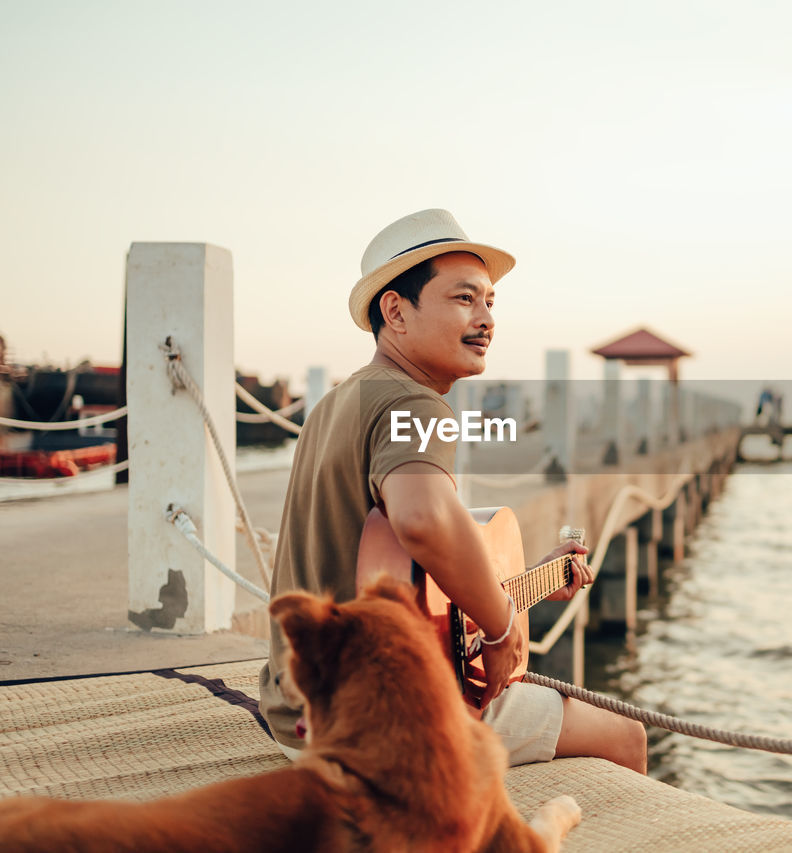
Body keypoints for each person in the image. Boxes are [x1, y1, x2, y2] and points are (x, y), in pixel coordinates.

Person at [257, 209, 647, 773]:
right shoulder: (414, 403)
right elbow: (423, 520)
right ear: (395, 311)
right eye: (464, 299)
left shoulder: (336, 403)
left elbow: (398, 572)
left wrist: (526, 584)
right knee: (626, 735)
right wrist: (503, 625)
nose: (486, 318)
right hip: (382, 723)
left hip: (297, 711)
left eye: (491, 302)